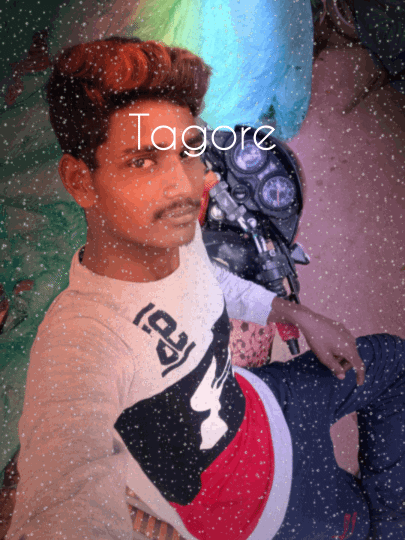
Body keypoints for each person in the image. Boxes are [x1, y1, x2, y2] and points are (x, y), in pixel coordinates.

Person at [6, 36, 405, 540]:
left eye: (187, 150)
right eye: (142, 161)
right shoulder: (78, 344)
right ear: (81, 181)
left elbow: (207, 278)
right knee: (368, 520)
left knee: (392, 361)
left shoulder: (168, 233)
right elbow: (63, 498)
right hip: (264, 505)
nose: (183, 186)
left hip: (264, 400)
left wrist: (292, 312)